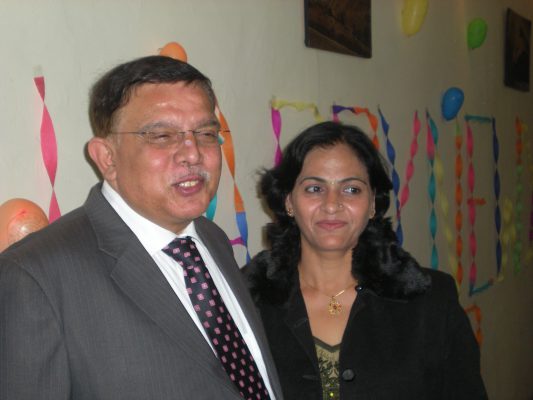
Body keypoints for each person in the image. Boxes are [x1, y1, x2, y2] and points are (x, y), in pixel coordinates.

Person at [0, 56, 282, 400]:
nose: (193, 153)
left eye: (206, 134)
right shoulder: (34, 277)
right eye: (162, 136)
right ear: (107, 158)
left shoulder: (211, 239)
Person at [245, 121, 487, 399]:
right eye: (314, 188)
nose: (332, 204)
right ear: (289, 201)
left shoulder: (432, 302)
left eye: (351, 189)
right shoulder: (249, 303)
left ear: (372, 203)